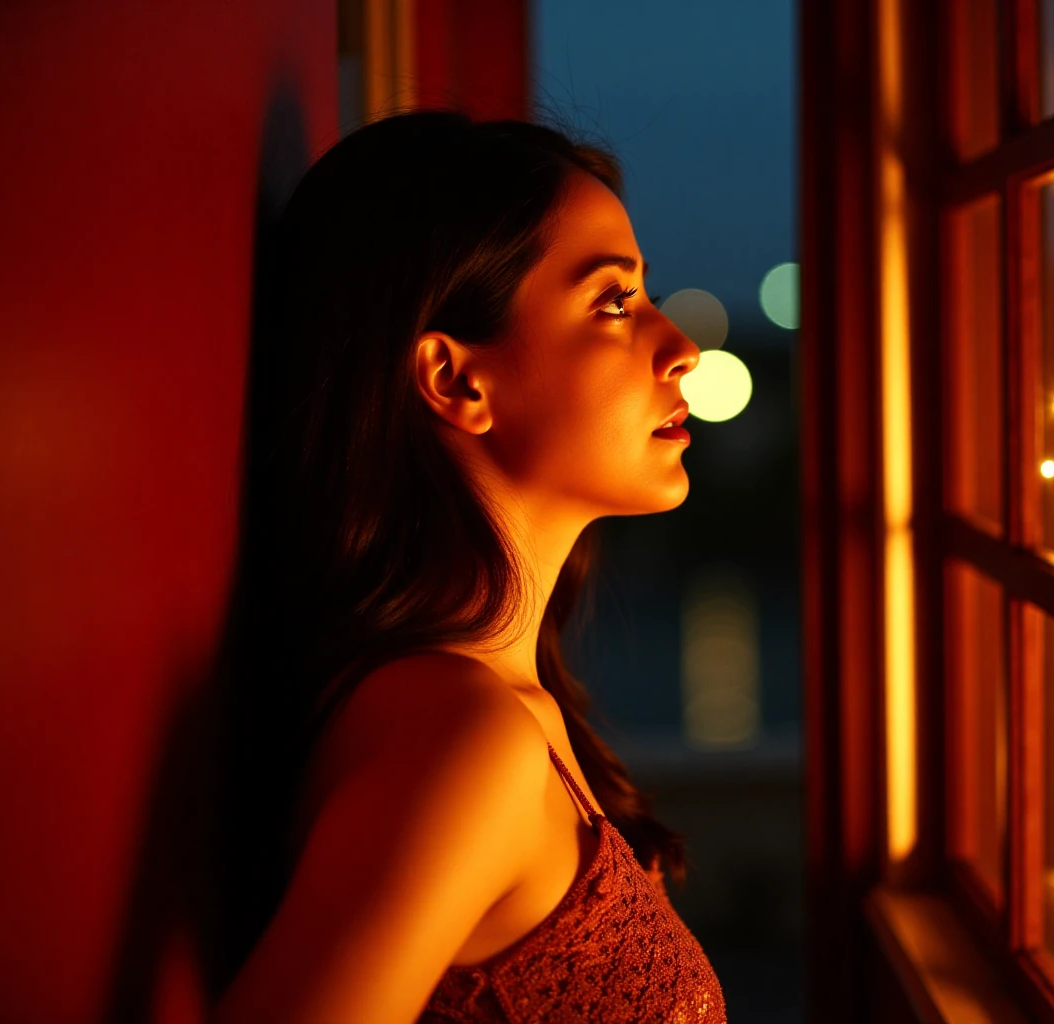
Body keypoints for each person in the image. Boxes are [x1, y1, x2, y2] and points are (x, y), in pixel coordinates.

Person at [211, 111, 724, 1023]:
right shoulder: (463, 741)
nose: (681, 347)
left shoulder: (497, 710)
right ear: (455, 381)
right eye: (614, 301)